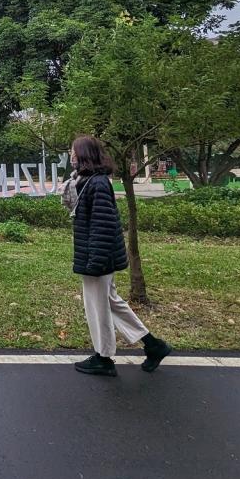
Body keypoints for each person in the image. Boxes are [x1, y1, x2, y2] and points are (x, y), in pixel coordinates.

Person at [63, 135, 172, 376]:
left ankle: (104, 358)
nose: (70, 154)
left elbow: (103, 225)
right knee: (111, 303)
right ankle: (154, 345)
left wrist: (96, 262)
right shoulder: (86, 181)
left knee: (97, 307)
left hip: (98, 258)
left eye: (73, 151)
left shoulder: (97, 183)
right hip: (95, 255)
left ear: (84, 154)